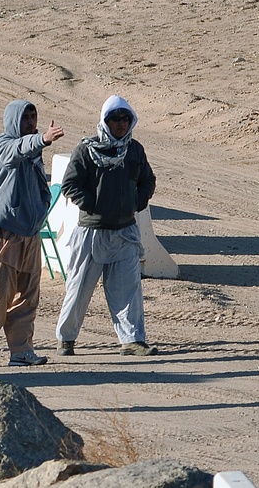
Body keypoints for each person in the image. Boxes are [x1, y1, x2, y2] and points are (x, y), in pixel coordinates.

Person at [55, 95, 158, 357]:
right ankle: (66, 340)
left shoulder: (134, 151)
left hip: (124, 231)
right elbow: (70, 185)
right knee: (79, 288)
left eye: (125, 118)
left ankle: (132, 340)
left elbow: (148, 180)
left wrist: (136, 201)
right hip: (92, 232)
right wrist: (93, 204)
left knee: (128, 289)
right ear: (104, 120)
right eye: (115, 119)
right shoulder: (87, 150)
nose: (121, 124)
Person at [0, 100, 65, 368]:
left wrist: (41, 206)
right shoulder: (2, 145)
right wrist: (42, 139)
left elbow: (37, 183)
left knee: (27, 295)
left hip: (29, 234)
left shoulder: (34, 151)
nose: (31, 123)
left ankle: (21, 351)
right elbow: (17, 150)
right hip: (3, 233)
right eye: (26, 118)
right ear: (13, 120)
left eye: (34, 117)